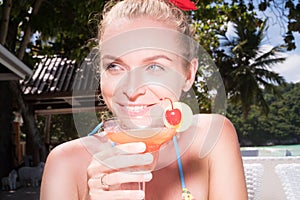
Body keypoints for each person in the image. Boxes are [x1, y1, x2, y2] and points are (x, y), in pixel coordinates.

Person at [40, 0, 248, 199]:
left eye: (155, 67)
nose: (131, 89)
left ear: (188, 75)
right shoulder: (65, 164)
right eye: (115, 66)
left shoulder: (213, 138)